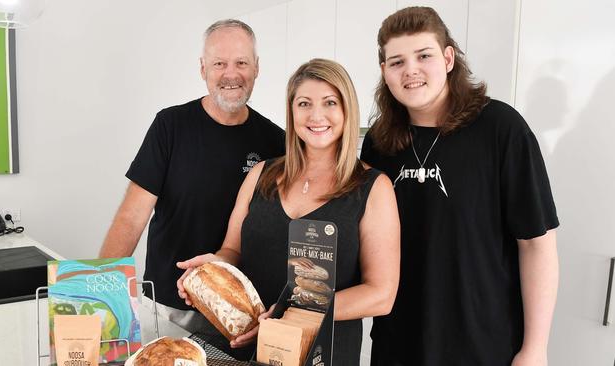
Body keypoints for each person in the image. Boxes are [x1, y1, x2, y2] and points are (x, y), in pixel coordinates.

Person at [361, 7, 559, 366]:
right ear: (384, 72)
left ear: (448, 58)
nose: (411, 70)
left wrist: (535, 349)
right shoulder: (378, 143)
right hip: (398, 343)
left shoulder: (501, 128)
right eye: (397, 62)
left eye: (424, 55)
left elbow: (536, 244)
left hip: (482, 345)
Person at [177, 58, 401, 365]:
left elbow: (381, 294)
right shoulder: (260, 175)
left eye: (330, 102)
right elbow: (231, 250)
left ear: (347, 110)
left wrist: (290, 312)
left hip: (323, 354)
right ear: (292, 111)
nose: (316, 115)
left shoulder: (373, 187)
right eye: (304, 103)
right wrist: (209, 271)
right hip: (244, 349)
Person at [98, 19, 285, 332]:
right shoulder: (170, 126)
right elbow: (131, 219)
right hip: (169, 306)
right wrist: (96, 292)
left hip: (239, 313)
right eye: (219, 63)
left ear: (256, 68)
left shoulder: (276, 142)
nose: (231, 74)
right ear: (203, 69)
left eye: (241, 62)